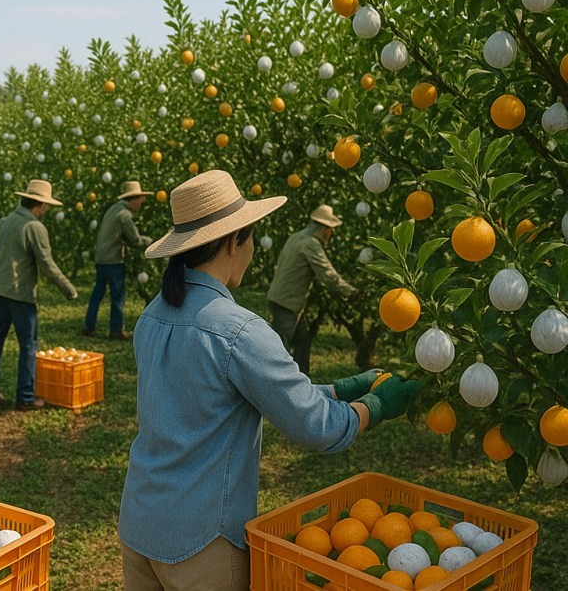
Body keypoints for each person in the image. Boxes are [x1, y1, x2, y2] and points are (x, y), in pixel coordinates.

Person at [117, 170, 420, 590]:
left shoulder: (153, 314)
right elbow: (319, 428)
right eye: (252, 237)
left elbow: (233, 395)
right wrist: (378, 406)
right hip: (201, 542)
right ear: (232, 241)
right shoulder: (238, 330)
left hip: (140, 523)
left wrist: (339, 389)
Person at [0, 179, 77, 412]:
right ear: (40, 205)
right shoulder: (34, 227)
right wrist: (68, 289)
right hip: (18, 294)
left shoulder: (6, 221)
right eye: (46, 206)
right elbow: (47, 264)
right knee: (28, 345)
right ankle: (25, 397)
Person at [267, 204, 357, 374]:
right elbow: (327, 274)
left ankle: (301, 379)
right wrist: (350, 291)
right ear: (323, 229)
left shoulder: (295, 237)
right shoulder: (310, 244)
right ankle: (276, 386)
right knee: (280, 350)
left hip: (283, 299)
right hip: (287, 304)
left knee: (302, 340)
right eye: (330, 230)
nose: (331, 234)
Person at [84, 180, 154, 340]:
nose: (141, 204)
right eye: (140, 200)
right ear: (133, 199)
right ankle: (116, 330)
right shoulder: (124, 215)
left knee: (97, 293)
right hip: (113, 260)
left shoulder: (113, 209)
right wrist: (151, 241)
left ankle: (89, 326)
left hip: (101, 258)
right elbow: (135, 240)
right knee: (117, 295)